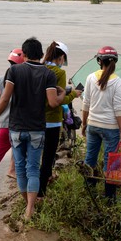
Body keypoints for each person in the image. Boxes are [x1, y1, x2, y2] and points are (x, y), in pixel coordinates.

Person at [0, 37, 65, 220]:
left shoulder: (14, 71)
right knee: (33, 168)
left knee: (20, 168)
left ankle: (26, 202)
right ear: (41, 55)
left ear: (24, 55)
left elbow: (5, 99)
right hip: (36, 128)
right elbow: (52, 102)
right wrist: (63, 95)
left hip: (16, 128)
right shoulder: (48, 74)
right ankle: (30, 209)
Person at [81, 45, 121, 201]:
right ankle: (109, 197)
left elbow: (85, 103)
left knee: (90, 158)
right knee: (110, 162)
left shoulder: (90, 78)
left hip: (92, 125)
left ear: (99, 61)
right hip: (110, 128)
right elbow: (118, 108)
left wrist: (84, 123)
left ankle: (89, 192)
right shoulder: (118, 82)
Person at [39, 41, 81, 199]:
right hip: (52, 120)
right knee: (49, 155)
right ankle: (41, 192)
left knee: (38, 156)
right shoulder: (59, 73)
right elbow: (60, 99)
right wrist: (73, 95)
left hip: (37, 119)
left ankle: (43, 180)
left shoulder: (41, 68)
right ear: (61, 57)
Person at [0, 47, 24, 185]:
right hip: (20, 126)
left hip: (1, 126)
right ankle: (12, 170)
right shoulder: (27, 82)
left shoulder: (0, 80)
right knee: (19, 152)